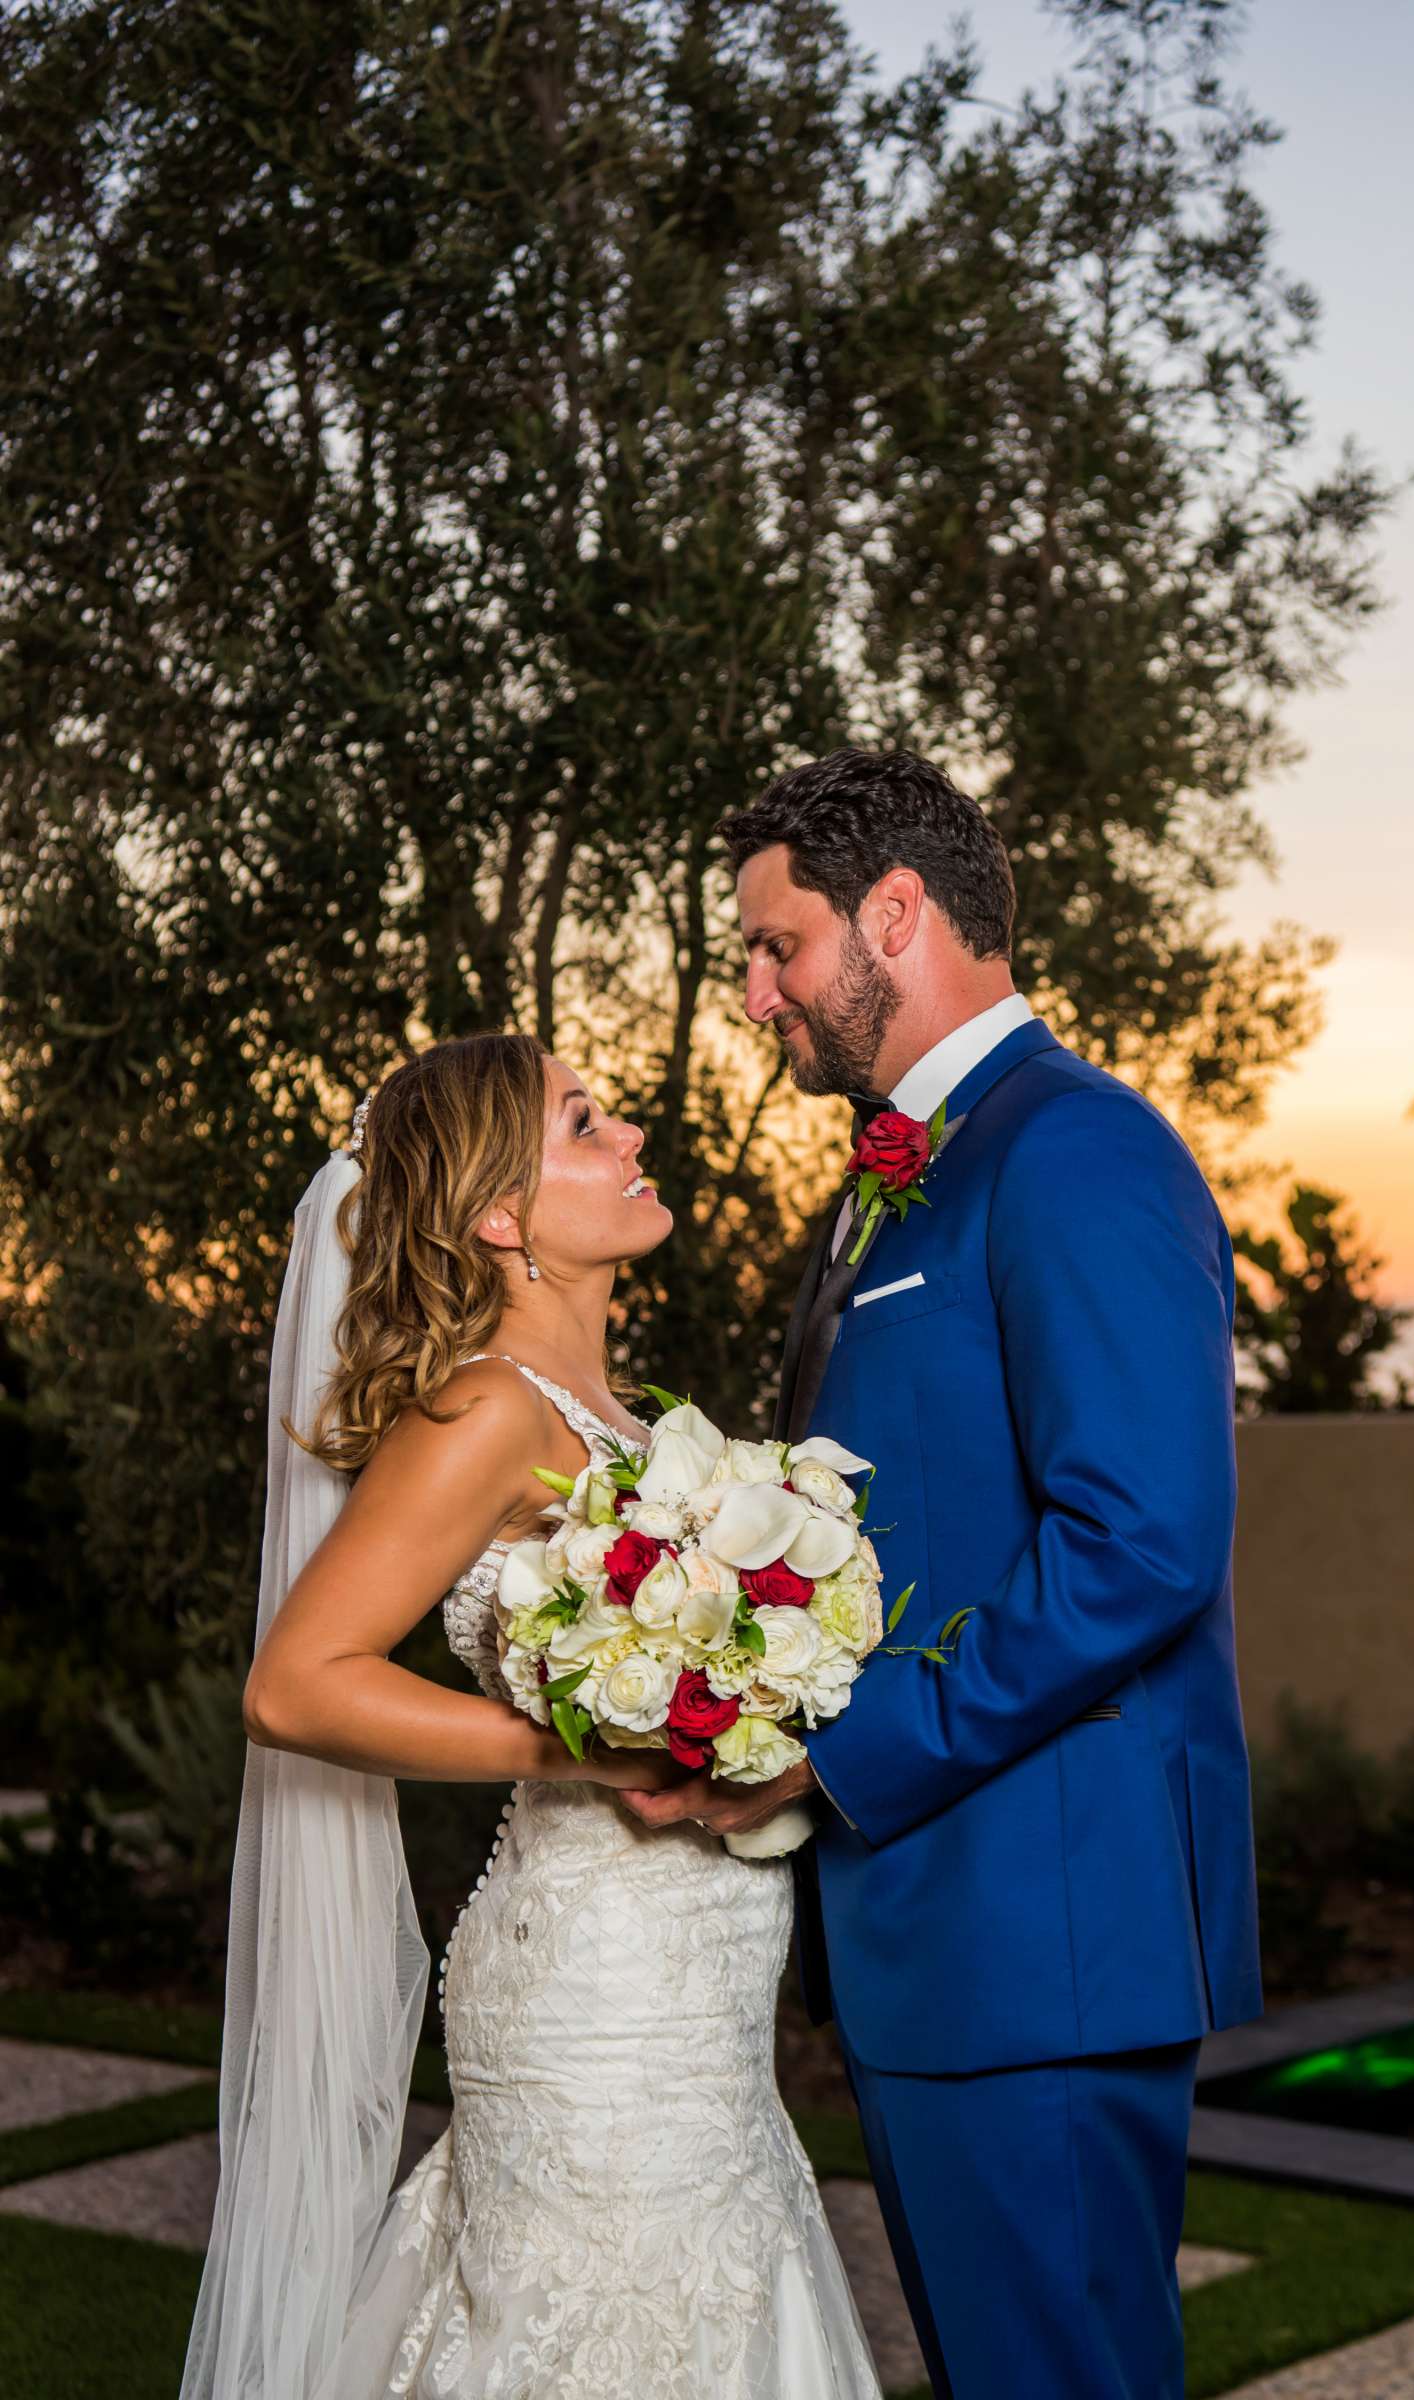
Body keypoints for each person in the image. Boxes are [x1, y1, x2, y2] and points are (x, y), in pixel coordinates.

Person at [622, 749, 1262, 2400]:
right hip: (950, 1929)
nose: (757, 995)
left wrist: (847, 1750)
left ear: (892, 914)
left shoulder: (1071, 1151)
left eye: (777, 947)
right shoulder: (908, 1164)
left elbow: (1140, 1545)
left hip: (1035, 1923)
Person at [183, 1030, 879, 2400]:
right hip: (596, 1984)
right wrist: (572, 1747)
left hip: (705, 1981)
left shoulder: (627, 1419)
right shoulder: (487, 1407)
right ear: (501, 1217)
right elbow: (295, 1682)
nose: (629, 1139)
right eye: (584, 1125)